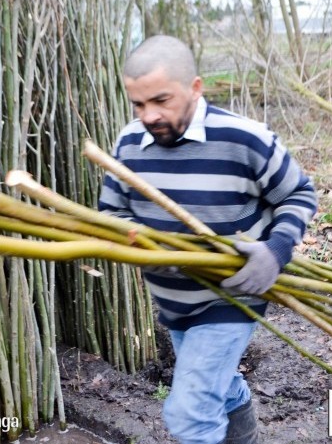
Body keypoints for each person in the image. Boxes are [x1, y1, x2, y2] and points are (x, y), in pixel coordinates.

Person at [98, 35, 317, 444]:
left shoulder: (245, 139)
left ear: (195, 88)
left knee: (191, 415)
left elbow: (298, 193)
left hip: (230, 298)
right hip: (173, 301)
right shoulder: (128, 145)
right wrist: (139, 245)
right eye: (139, 104)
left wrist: (276, 250)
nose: (149, 116)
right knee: (219, 385)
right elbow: (111, 215)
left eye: (161, 101)